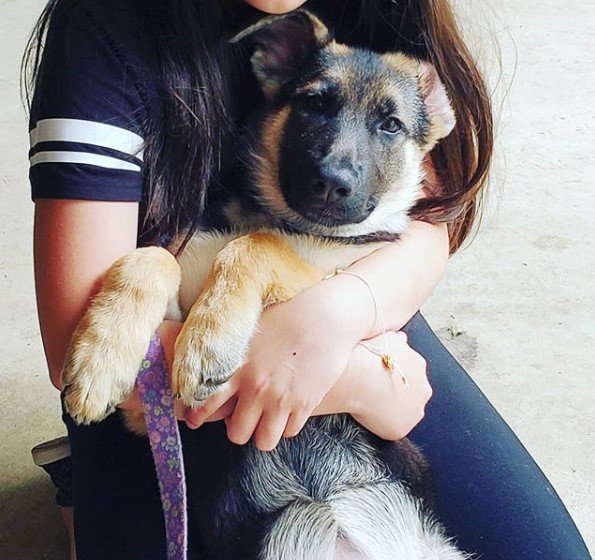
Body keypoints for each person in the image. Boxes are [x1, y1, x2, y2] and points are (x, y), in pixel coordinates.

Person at [24, 0, 590, 558]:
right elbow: (85, 356)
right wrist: (364, 381)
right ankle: (83, 480)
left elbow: (427, 224)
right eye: (319, 104)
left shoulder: (394, 21)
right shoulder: (105, 29)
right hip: (188, 381)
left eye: (388, 124)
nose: (338, 166)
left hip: (348, 323)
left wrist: (344, 311)